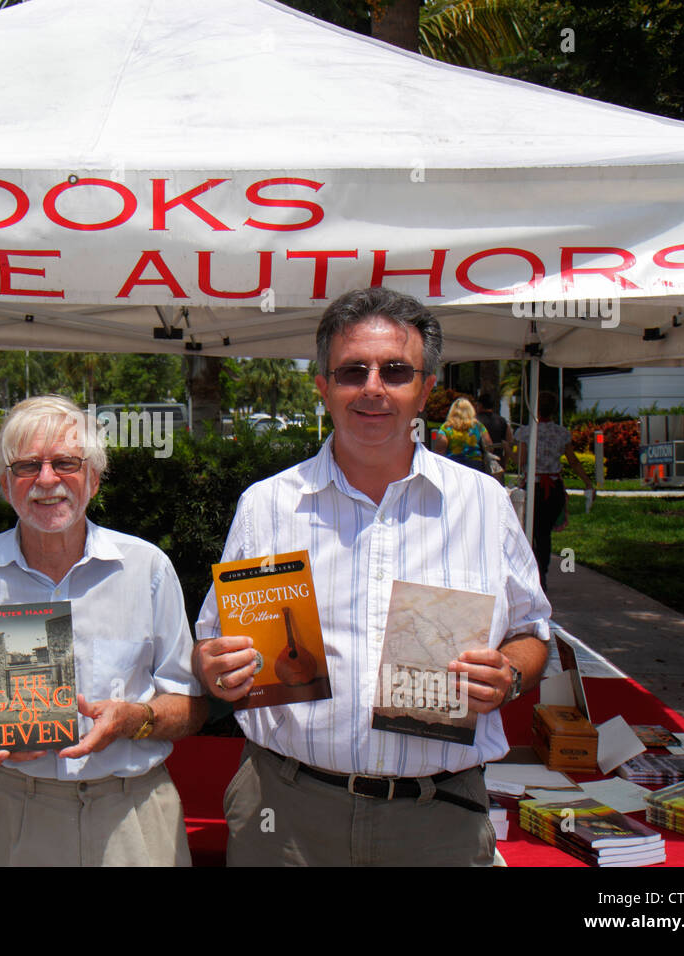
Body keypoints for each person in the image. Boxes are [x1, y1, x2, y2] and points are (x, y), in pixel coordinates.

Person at [194, 286, 551, 867]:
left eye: (395, 371)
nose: (373, 388)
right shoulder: (267, 507)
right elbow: (213, 645)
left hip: (437, 823)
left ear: (426, 390)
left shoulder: (484, 504)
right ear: (323, 386)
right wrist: (214, 666)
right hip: (285, 816)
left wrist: (509, 674)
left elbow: (535, 632)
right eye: (352, 370)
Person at [0, 395, 206, 866]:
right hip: (7, 807)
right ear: (4, 482)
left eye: (66, 463)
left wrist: (133, 720)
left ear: (94, 478)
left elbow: (192, 705)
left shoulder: (146, 569)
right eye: (27, 465)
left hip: (128, 811)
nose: (48, 479)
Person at [514, 391, 595, 594]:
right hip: (553, 487)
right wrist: (587, 482)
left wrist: (510, 451)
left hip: (533, 485)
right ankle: (543, 575)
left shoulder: (526, 432)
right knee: (544, 535)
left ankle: (530, 574)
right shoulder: (561, 433)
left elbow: (521, 462)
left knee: (528, 533)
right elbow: (574, 461)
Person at [431, 397, 493, 474]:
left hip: (453, 465)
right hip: (475, 466)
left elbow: (439, 451)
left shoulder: (446, 427)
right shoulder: (478, 426)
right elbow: (489, 446)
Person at [475, 391, 512, 481]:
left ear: (479, 405)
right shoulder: (502, 421)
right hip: (497, 465)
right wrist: (505, 463)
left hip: (478, 464)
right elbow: (509, 442)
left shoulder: (474, 421)